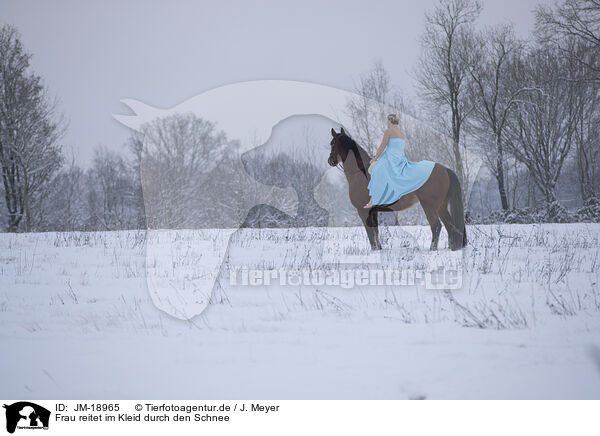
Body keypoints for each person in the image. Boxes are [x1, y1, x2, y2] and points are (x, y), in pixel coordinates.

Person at [364, 114, 435, 208]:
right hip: (400, 157)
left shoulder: (389, 131)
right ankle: (379, 196)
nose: (387, 123)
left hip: (390, 157)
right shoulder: (401, 133)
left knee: (376, 169)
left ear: (390, 121)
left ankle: (374, 199)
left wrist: (375, 158)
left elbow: (382, 146)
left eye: (387, 121)